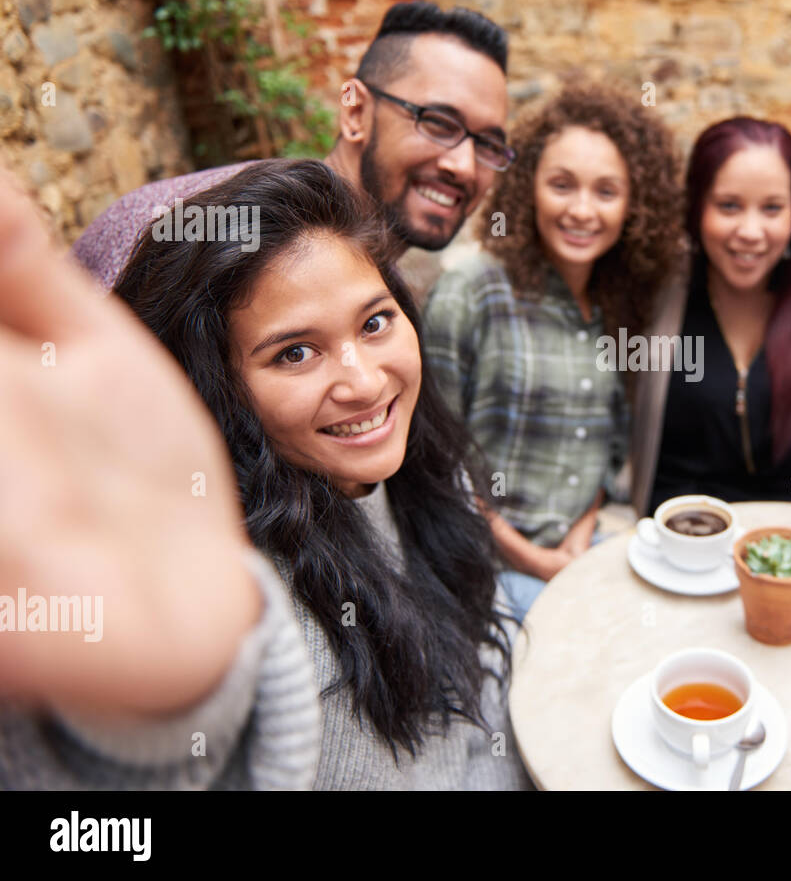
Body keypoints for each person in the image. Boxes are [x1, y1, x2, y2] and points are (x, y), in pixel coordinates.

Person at [3, 159, 532, 789]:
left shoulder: (422, 468)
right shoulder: (256, 607)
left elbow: (486, 698)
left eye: (375, 322)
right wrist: (161, 695)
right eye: (295, 353)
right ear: (222, 391)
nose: (364, 382)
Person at [423, 80, 685, 614]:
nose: (582, 210)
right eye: (562, 185)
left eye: (606, 192)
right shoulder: (474, 291)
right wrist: (532, 559)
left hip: (583, 549)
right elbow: (433, 455)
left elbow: (606, 451)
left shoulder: (622, 309)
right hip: (487, 562)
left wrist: (581, 533)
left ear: (633, 205)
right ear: (528, 187)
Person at [71, 0, 512, 289]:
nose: (465, 166)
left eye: (489, 144)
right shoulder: (200, 231)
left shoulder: (382, 290)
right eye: (437, 122)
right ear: (356, 113)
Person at [636, 117, 791, 514]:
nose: (751, 231)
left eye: (772, 208)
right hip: (681, 551)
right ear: (696, 206)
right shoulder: (654, 282)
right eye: (729, 206)